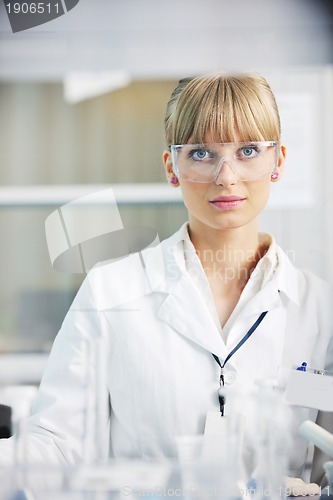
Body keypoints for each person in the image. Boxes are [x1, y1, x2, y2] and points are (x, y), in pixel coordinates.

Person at [0, 73, 332, 494]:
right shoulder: (110, 293)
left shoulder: (322, 310)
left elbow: (326, 466)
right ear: (171, 167)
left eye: (248, 150)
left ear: (278, 161)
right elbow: (57, 447)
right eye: (201, 153)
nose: (226, 176)